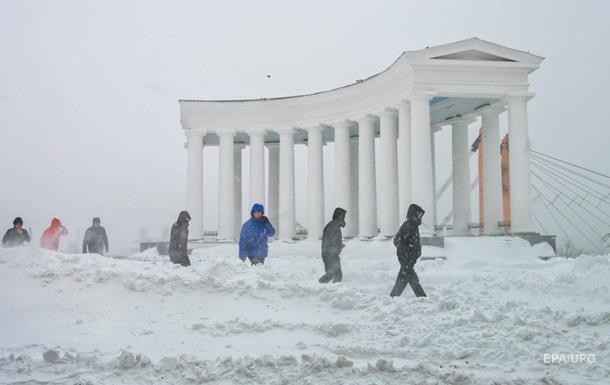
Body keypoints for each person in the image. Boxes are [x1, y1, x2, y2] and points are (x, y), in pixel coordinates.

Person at [390, 203, 427, 297]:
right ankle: (422, 298)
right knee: (412, 281)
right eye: (419, 214)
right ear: (414, 213)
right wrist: (407, 257)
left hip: (408, 261)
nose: (421, 216)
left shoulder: (412, 225)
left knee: (404, 281)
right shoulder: (409, 226)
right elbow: (398, 241)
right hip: (407, 261)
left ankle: (392, 299)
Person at [318, 207, 347, 283]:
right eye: (343, 216)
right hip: (330, 254)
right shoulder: (333, 226)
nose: (344, 219)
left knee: (333, 274)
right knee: (335, 274)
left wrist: (339, 245)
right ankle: (319, 286)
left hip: (330, 253)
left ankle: (323, 287)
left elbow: (331, 240)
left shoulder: (334, 225)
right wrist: (337, 246)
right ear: (339, 216)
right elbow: (332, 240)